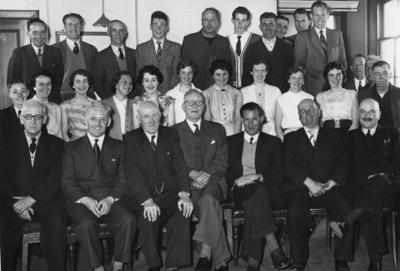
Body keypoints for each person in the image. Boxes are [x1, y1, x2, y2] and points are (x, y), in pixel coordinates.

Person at [61, 101, 135, 271]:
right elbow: (67, 181)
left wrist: (110, 199)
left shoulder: (119, 146)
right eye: (93, 118)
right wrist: (85, 200)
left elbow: (124, 179)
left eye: (103, 119)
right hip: (81, 200)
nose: (98, 123)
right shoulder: (71, 148)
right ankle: (98, 267)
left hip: (110, 198)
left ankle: (118, 264)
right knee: (86, 224)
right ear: (86, 121)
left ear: (109, 122)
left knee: (128, 219)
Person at [330, 98, 400, 271]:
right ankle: (375, 261)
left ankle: (342, 251)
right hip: (358, 187)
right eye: (362, 111)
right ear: (357, 114)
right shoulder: (349, 137)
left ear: (380, 114)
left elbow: (398, 162)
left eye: (372, 112)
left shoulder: (392, 133)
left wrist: (381, 174)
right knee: (368, 201)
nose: (367, 116)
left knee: (377, 182)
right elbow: (343, 164)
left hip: (386, 185)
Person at [283, 99, 353, 271]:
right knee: (294, 212)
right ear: (298, 116)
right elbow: (288, 165)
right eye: (303, 111)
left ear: (319, 112)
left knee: (344, 208)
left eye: (312, 110)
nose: (308, 114)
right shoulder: (291, 138)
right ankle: (299, 261)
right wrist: (309, 183)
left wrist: (332, 182)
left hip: (330, 188)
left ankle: (341, 260)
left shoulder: (334, 136)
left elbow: (344, 162)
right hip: (303, 189)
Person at [123, 101, 194, 270]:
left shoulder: (170, 135)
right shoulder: (131, 139)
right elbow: (132, 174)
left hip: (168, 193)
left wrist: (184, 194)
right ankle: (154, 264)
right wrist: (146, 201)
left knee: (183, 210)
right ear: (139, 119)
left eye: (155, 115)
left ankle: (173, 265)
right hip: (143, 195)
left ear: (161, 116)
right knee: (149, 217)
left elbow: (180, 167)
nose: (151, 120)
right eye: (146, 116)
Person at [0, 99, 66, 271]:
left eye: (38, 116)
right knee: (3, 226)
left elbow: (56, 180)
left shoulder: (57, 145)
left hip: (46, 202)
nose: (33, 121)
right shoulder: (7, 144)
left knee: (57, 222)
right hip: (14, 203)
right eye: (28, 116)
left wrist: (31, 200)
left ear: (45, 119)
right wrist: (17, 206)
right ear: (21, 118)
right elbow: (3, 180)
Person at [226, 102, 290, 271]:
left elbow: (279, 172)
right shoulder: (231, 142)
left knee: (257, 198)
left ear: (262, 118)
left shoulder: (274, 142)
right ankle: (273, 245)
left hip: (267, 191)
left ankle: (253, 263)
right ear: (242, 120)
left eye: (255, 119)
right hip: (239, 191)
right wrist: (240, 180)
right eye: (246, 120)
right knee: (256, 194)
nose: (251, 124)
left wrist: (257, 176)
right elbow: (226, 171)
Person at [174, 90, 231, 271]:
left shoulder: (217, 129)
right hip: (186, 183)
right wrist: (192, 174)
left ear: (204, 106)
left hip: (215, 180)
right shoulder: (173, 132)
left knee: (208, 197)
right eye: (190, 103)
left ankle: (205, 253)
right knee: (210, 204)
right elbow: (173, 163)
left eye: (199, 102)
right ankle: (220, 260)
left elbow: (222, 161)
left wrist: (205, 177)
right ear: (183, 106)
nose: (195, 106)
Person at [295, 0, 347, 96]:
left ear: (328, 15)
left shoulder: (337, 34)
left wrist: (339, 82)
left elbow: (343, 63)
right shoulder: (303, 37)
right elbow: (299, 66)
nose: (320, 19)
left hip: (335, 88)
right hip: (312, 89)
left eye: (322, 15)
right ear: (311, 16)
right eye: (316, 15)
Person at [7, 18, 63, 103]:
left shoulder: (55, 52)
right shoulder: (19, 53)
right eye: (35, 33)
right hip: (27, 103)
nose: (39, 36)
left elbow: (58, 80)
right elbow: (12, 82)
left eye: (42, 32)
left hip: (51, 102)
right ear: (28, 34)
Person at [243, 12, 294, 92]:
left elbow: (292, 72)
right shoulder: (252, 48)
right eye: (264, 24)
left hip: (282, 91)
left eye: (271, 24)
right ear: (260, 27)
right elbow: (247, 74)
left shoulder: (287, 47)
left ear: (276, 26)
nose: (267, 27)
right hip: (259, 91)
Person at [182, 7, 231, 90]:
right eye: (206, 20)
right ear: (201, 21)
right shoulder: (189, 40)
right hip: (194, 91)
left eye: (212, 20)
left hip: (218, 91)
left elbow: (227, 70)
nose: (209, 23)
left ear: (218, 22)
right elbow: (184, 69)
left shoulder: (224, 42)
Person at [53, 13, 98, 100]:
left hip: (87, 95)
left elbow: (95, 75)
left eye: (77, 24)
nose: (73, 28)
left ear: (81, 28)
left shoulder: (91, 49)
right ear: (65, 28)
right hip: (61, 96)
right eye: (70, 24)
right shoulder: (54, 49)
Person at [136, 11, 181, 94]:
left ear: (167, 28)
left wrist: (170, 93)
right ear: (150, 26)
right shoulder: (141, 48)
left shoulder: (176, 47)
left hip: (169, 94)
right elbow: (140, 75)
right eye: (155, 24)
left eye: (162, 25)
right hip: (148, 94)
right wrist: (148, 93)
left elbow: (176, 75)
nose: (158, 28)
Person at [93, 20, 136, 99]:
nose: (118, 34)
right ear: (108, 33)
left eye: (121, 30)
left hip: (132, 101)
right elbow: (97, 83)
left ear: (125, 33)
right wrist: (109, 101)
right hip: (111, 104)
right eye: (114, 30)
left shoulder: (135, 54)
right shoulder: (100, 57)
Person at [241, 59, 281, 136]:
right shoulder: (243, 92)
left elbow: (278, 118)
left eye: (263, 71)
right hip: (249, 131)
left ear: (267, 72)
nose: (260, 74)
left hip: (271, 131)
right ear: (251, 72)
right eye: (256, 70)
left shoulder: (276, 91)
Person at [316, 62, 358, 134]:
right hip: (327, 135)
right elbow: (318, 123)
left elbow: (355, 123)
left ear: (343, 75)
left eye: (338, 74)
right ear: (326, 77)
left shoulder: (352, 94)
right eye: (331, 75)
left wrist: (346, 137)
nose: (335, 78)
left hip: (348, 133)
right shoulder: (320, 97)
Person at [203, 59, 243, 136]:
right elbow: (207, 120)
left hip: (232, 132)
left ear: (229, 74)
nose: (222, 78)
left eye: (225, 74)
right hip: (213, 133)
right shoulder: (206, 93)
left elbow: (238, 119)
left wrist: (236, 137)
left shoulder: (237, 93)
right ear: (212, 75)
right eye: (218, 74)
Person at [274, 66, 314, 141]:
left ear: (303, 81)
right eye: (294, 78)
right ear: (289, 80)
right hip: (288, 137)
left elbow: (314, 124)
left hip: (306, 136)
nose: (297, 81)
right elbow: (277, 126)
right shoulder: (281, 99)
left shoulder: (310, 98)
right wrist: (284, 142)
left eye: (300, 78)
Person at [358, 60, 400, 131]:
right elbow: (360, 120)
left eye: (385, 73)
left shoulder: (398, 93)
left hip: (396, 137)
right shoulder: (364, 94)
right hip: (372, 137)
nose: (381, 77)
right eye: (377, 74)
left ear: (390, 75)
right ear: (373, 76)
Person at [227, 6, 260, 89]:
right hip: (230, 87)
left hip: (251, 87)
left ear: (248, 22)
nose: (240, 23)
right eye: (237, 19)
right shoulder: (224, 41)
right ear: (232, 20)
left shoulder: (257, 39)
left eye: (243, 20)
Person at [61, 69, 95, 141]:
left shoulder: (96, 104)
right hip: (75, 144)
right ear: (73, 85)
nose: (82, 85)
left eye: (85, 81)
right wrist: (71, 148)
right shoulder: (65, 106)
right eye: (78, 81)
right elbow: (64, 133)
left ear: (89, 84)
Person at [30, 71, 63, 138]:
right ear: (34, 86)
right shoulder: (27, 107)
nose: (45, 87)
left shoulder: (57, 108)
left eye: (48, 84)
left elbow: (60, 135)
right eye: (41, 84)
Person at [102, 71, 134, 140]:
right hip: (110, 144)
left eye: (130, 83)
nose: (128, 85)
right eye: (124, 82)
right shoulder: (103, 103)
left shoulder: (134, 104)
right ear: (116, 84)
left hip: (131, 144)